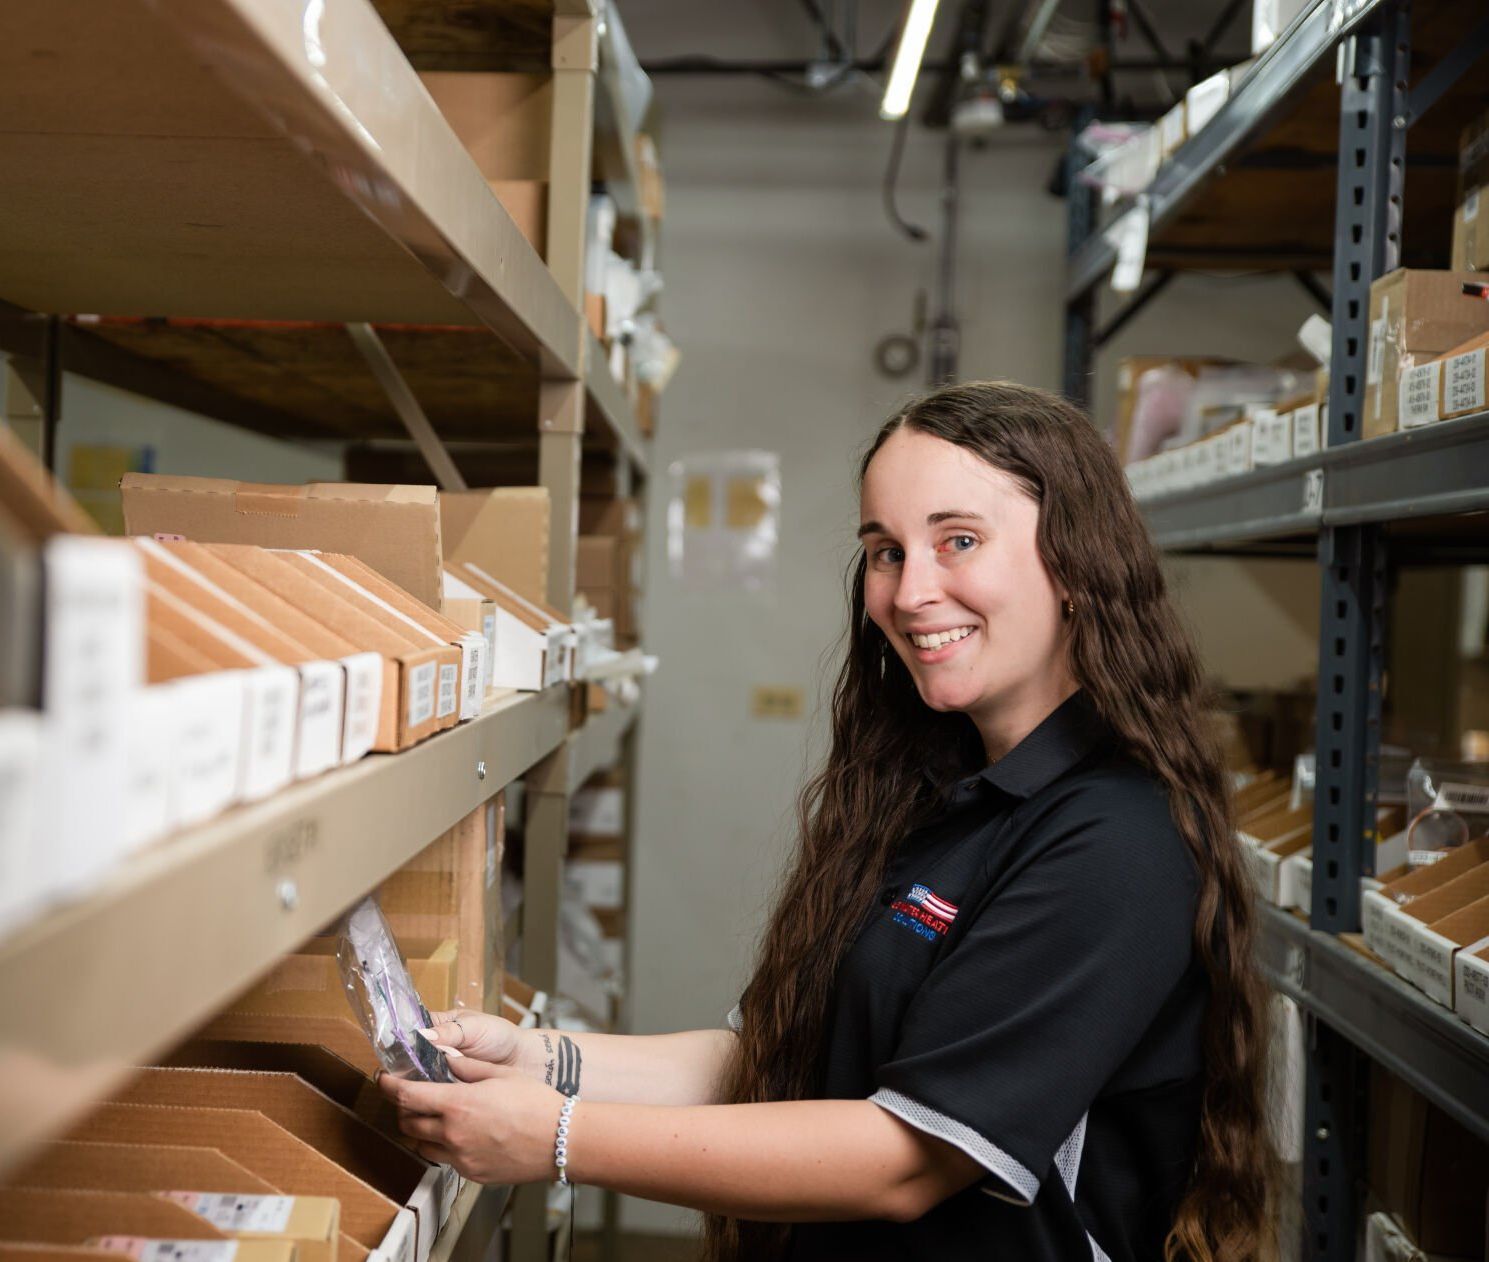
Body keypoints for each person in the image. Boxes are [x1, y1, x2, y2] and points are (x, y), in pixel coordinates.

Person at [379, 381, 1277, 1261]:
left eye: (957, 540)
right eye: (885, 550)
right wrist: (539, 1060)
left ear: (1076, 564)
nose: (910, 591)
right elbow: (781, 1058)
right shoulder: (944, 790)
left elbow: (905, 1161)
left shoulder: (1114, 840)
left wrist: (561, 1138)